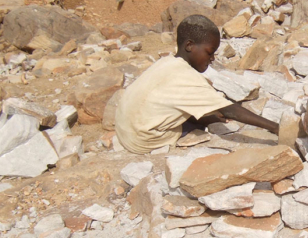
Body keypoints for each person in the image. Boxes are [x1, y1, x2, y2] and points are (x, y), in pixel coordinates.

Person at [115, 15, 279, 154]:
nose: (212, 58)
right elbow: (230, 110)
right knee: (200, 133)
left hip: (125, 128)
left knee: (199, 115)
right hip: (141, 140)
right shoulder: (187, 78)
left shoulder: (167, 63)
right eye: (209, 52)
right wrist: (275, 127)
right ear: (189, 46)